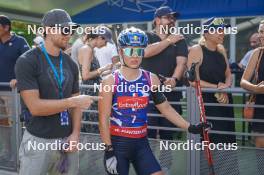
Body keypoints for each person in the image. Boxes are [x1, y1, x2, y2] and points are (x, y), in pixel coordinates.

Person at [99, 27, 211, 175]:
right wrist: (108, 149)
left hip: (141, 144)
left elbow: (165, 108)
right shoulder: (110, 81)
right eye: (129, 51)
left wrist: (190, 127)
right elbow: (103, 118)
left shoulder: (151, 78)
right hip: (117, 145)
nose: (135, 56)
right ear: (120, 52)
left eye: (139, 51)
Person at [15, 9, 94, 175]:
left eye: (71, 30)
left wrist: (75, 134)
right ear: (49, 30)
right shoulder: (27, 61)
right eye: (65, 30)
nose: (69, 34)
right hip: (38, 141)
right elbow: (35, 107)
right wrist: (73, 102)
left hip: (67, 140)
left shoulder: (70, 64)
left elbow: (76, 104)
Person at [141, 6, 188, 171]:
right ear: (157, 20)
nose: (172, 20)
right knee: (149, 133)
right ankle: (149, 167)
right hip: (147, 94)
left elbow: (181, 63)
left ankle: (166, 167)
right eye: (168, 17)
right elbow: (144, 53)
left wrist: (174, 79)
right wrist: (168, 41)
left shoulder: (179, 39)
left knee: (168, 135)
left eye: (173, 18)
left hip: (170, 93)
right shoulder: (146, 36)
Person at [188, 17, 236, 144]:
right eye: (218, 30)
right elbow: (193, 81)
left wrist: (225, 88)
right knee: (211, 142)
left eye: (223, 30)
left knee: (228, 140)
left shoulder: (221, 50)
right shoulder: (196, 50)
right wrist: (217, 87)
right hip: (206, 104)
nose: (222, 33)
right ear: (206, 33)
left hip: (225, 102)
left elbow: (228, 75)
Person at [0, 15, 30, 162]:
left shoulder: (20, 41)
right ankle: (6, 152)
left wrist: (18, 79)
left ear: (6, 27)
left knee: (15, 124)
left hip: (12, 93)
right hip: (0, 90)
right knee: (2, 124)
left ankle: (18, 154)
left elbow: (29, 64)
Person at [78, 26, 113, 133]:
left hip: (94, 91)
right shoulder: (86, 49)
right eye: (106, 41)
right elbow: (85, 75)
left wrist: (108, 71)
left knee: (96, 125)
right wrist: (103, 69)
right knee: (91, 127)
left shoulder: (91, 50)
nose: (106, 44)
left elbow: (94, 75)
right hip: (89, 93)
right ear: (99, 37)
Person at [240, 20, 264, 148]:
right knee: (260, 149)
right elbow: (243, 81)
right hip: (260, 106)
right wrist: (256, 88)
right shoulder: (257, 53)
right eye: (260, 31)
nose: (261, 35)